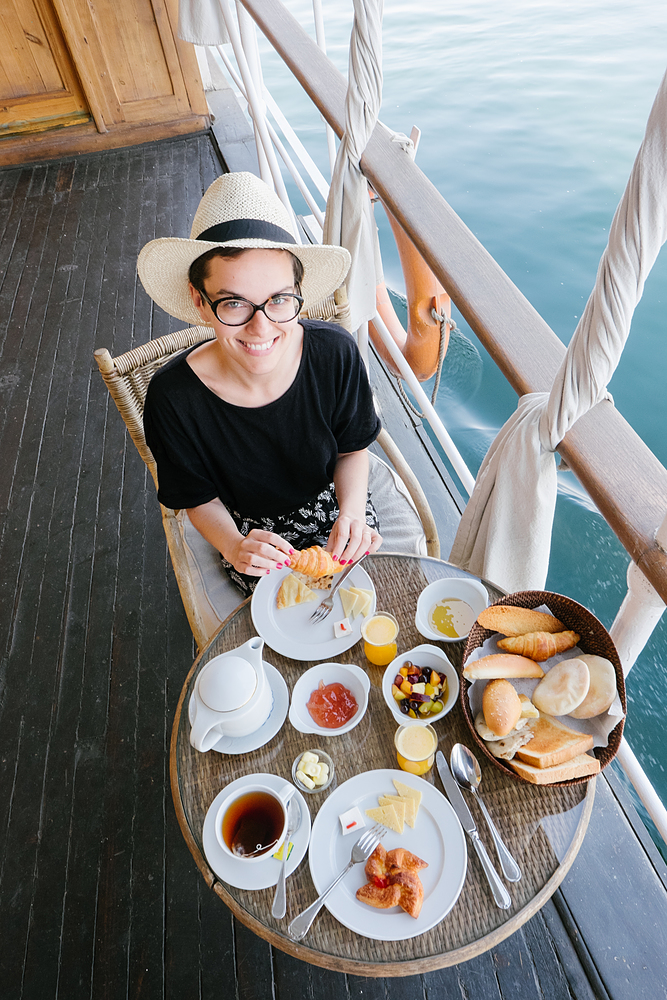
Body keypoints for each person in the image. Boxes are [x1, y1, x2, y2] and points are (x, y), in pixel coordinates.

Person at [138, 172, 383, 597]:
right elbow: (197, 498)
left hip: (335, 502)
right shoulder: (173, 398)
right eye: (234, 303)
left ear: (298, 293)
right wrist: (234, 546)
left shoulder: (335, 354)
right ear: (200, 301)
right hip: (251, 532)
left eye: (279, 300)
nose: (261, 327)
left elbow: (351, 450)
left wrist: (353, 512)